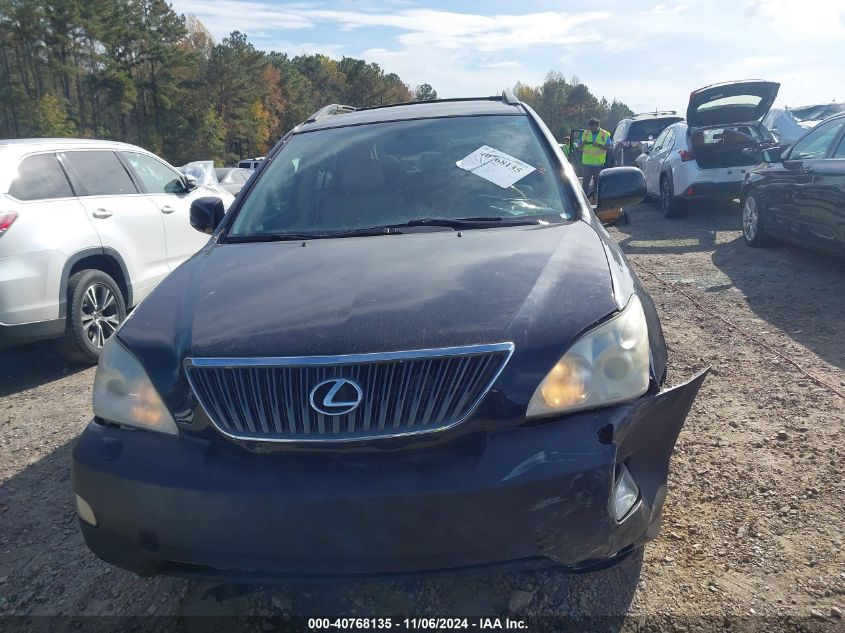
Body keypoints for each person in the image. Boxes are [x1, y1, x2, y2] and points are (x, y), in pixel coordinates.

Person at [577, 118, 612, 196]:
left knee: (597, 183)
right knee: (585, 182)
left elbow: (609, 148)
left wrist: (599, 145)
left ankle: (596, 199)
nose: (591, 130)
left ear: (597, 126)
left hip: (598, 164)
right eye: (590, 128)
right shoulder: (585, 133)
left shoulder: (605, 134)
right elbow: (579, 148)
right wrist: (583, 144)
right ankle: (584, 199)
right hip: (586, 163)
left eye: (592, 128)